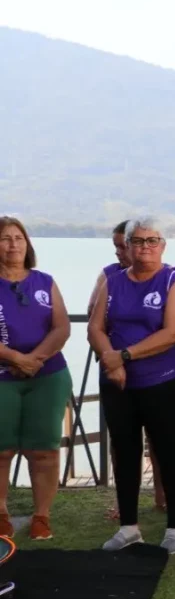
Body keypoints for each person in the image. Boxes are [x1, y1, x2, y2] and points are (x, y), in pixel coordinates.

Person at [88, 217, 175, 554]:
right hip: (118, 384)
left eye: (151, 241)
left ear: (163, 245)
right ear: (128, 246)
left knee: (167, 451)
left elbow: (173, 332)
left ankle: (174, 528)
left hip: (162, 382)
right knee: (125, 452)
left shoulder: (174, 281)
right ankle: (129, 527)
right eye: (137, 241)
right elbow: (95, 327)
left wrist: (124, 356)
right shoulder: (113, 282)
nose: (144, 247)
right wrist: (112, 361)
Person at [0, 217, 72, 541]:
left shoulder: (45, 281)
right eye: (5, 238)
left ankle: (42, 515)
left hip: (48, 376)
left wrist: (35, 359)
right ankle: (1, 514)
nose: (13, 244)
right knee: (1, 450)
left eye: (19, 238)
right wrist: (16, 359)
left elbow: (62, 327)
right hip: (3, 377)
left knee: (44, 450)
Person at [90, 220, 167, 516]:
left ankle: (163, 495)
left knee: (159, 439)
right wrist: (111, 359)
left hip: (155, 371)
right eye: (117, 247)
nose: (120, 252)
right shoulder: (109, 276)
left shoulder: (164, 276)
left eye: (124, 245)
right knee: (122, 441)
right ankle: (125, 502)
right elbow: (94, 317)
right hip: (114, 368)